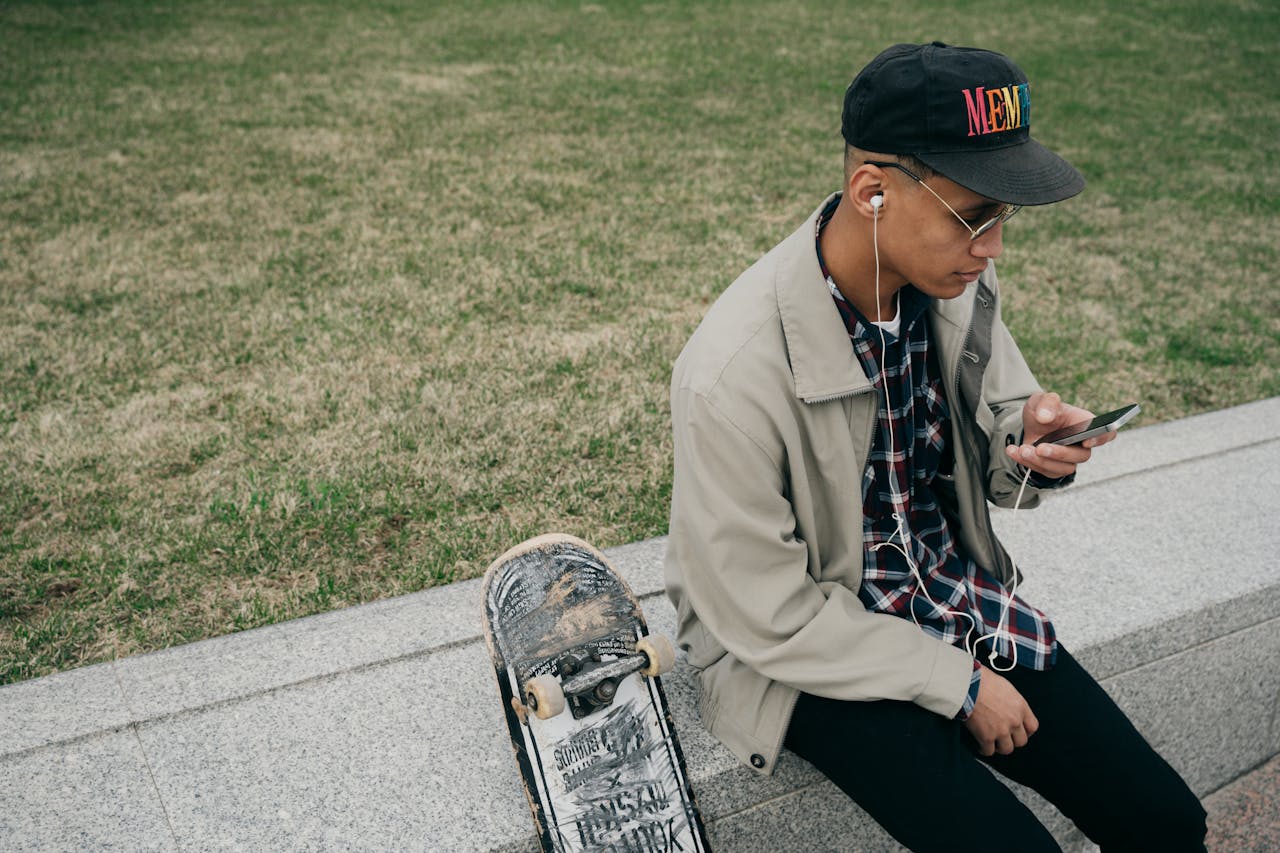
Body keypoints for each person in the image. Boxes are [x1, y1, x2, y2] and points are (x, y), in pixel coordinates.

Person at [664, 42, 1206, 850]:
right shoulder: (730, 373)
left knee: (1166, 820)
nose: (993, 247)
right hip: (806, 645)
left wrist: (1030, 445)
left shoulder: (951, 275)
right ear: (872, 191)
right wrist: (959, 685)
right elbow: (766, 612)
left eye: (1004, 216)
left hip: (948, 593)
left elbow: (1002, 426)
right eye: (975, 215)